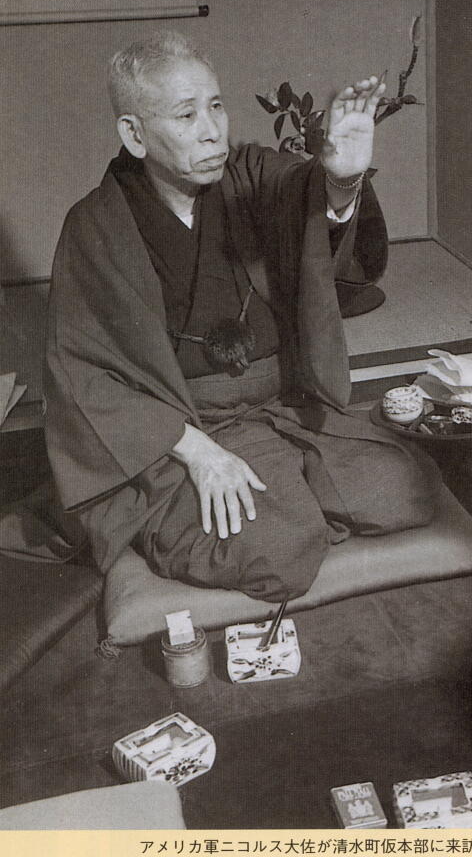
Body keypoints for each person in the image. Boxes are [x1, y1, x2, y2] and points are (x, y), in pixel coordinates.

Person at [43, 31, 438, 601]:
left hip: (282, 404)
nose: (212, 129)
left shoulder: (250, 173)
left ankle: (288, 491)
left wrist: (343, 176)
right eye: (186, 115)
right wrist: (198, 453)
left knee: (408, 490)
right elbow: (81, 373)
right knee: (278, 555)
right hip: (181, 426)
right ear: (134, 134)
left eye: (217, 105)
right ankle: (258, 504)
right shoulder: (95, 228)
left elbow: (304, 192)